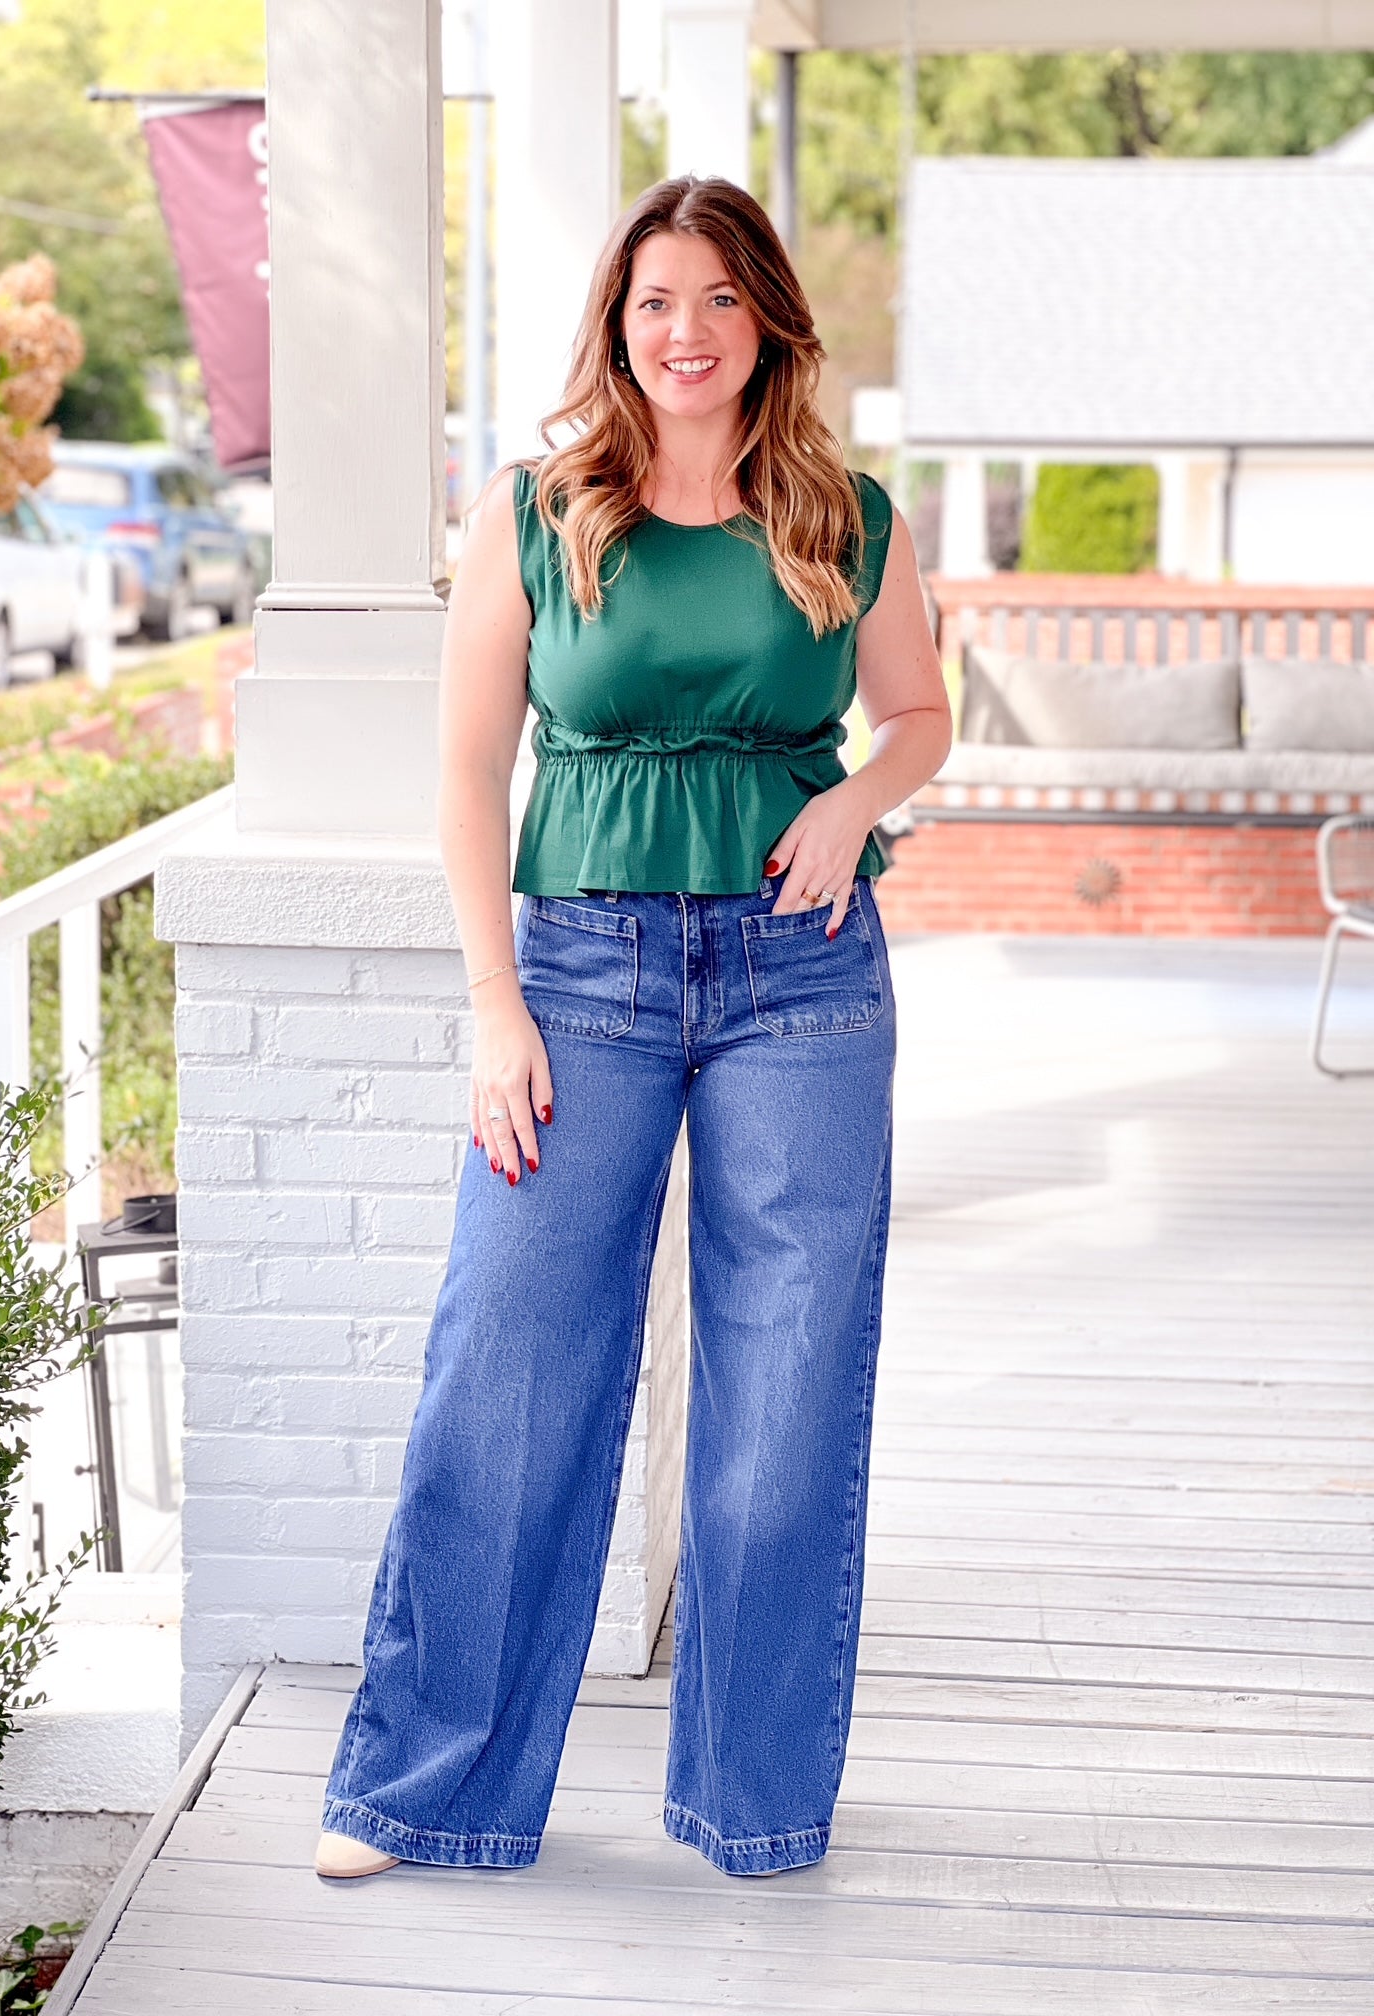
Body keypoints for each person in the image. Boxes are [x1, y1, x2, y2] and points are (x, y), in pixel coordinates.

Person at [315, 174, 951, 1883]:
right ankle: (423, 1790)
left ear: (770, 327)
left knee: (786, 1393)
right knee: (507, 1370)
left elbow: (919, 712)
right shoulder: (534, 512)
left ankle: (755, 1799)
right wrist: (490, 1007)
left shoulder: (847, 514)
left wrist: (856, 807)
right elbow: (464, 769)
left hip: (802, 973)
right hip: (579, 976)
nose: (687, 333)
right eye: (657, 301)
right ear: (618, 322)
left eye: (722, 302)